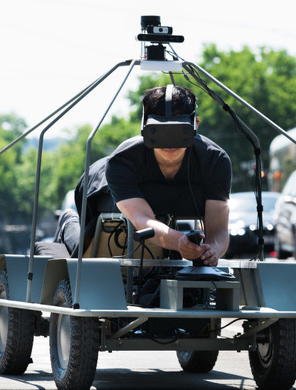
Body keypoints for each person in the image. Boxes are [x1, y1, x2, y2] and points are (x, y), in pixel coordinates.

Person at [54, 85, 232, 268]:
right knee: (88, 248)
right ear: (144, 126)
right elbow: (142, 219)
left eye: (178, 131)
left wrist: (212, 251)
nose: (169, 142)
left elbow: (219, 229)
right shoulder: (122, 161)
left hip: (169, 196)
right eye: (159, 130)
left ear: (195, 125)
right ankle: (68, 223)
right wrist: (179, 241)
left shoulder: (215, 160)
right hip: (104, 187)